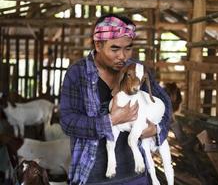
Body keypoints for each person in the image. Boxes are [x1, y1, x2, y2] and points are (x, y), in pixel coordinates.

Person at [60, 13, 172, 185]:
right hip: (93, 176)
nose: (123, 56)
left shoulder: (136, 69)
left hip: (137, 176)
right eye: (115, 49)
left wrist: (157, 129)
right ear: (98, 45)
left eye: (128, 48)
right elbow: (68, 122)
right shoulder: (77, 74)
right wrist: (111, 120)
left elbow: (164, 101)